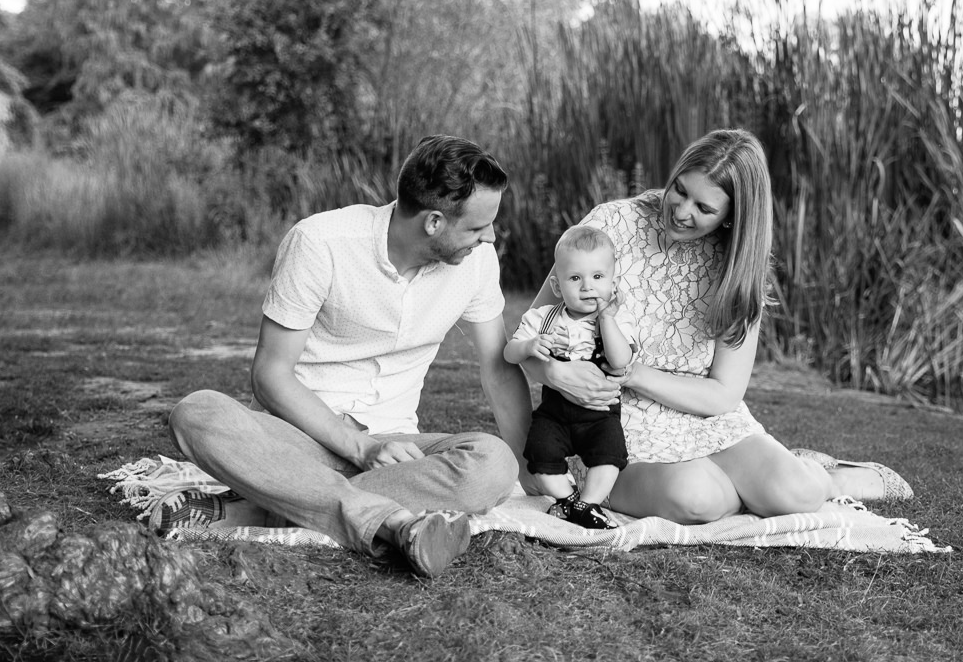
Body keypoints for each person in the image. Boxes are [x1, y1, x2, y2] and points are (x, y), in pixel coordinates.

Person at [167, 135, 533, 578]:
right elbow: (269, 375)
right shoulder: (321, 242)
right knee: (197, 412)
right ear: (434, 222)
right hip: (298, 440)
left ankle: (282, 504)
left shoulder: (477, 263)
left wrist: (530, 473)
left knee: (494, 463)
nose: (489, 237)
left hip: (400, 452)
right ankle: (390, 519)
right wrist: (361, 447)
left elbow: (497, 367)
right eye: (477, 228)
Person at [517, 128, 914, 524]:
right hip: (610, 422)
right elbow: (534, 333)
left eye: (704, 209)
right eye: (679, 189)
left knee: (798, 493)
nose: (682, 210)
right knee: (699, 500)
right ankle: (736, 488)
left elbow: (724, 394)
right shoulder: (611, 224)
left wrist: (634, 373)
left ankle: (827, 478)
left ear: (731, 217)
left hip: (704, 416)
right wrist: (555, 371)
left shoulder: (738, 266)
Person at [503, 225, 635, 529]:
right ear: (558, 285)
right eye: (575, 278)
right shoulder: (543, 318)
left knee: (609, 455)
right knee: (540, 454)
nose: (587, 286)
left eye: (598, 277)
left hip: (600, 413)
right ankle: (568, 499)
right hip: (555, 412)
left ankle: (589, 503)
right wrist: (529, 345)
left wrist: (607, 319)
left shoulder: (617, 321)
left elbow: (620, 360)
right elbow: (509, 353)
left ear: (613, 284)